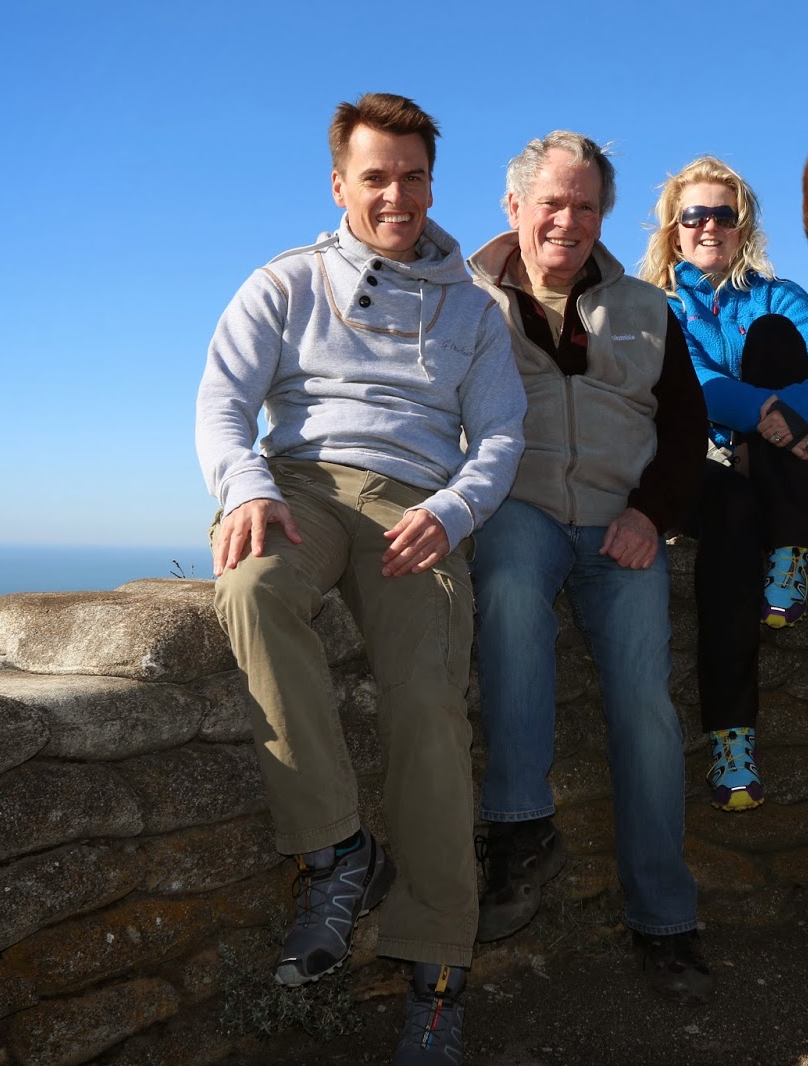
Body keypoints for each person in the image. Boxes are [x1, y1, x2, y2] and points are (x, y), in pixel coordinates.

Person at [195, 92, 527, 1063]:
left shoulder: (473, 308)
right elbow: (222, 401)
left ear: (433, 183)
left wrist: (453, 511)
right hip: (297, 485)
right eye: (375, 177)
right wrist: (246, 485)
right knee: (251, 589)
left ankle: (437, 974)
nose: (396, 196)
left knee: (428, 707)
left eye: (413, 177)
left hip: (415, 505)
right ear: (339, 184)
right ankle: (339, 850)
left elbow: (500, 436)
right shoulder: (285, 282)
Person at [465, 132, 714, 1002]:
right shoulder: (462, 299)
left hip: (623, 520)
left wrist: (652, 513)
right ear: (515, 208)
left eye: (585, 205)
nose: (567, 221)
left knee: (646, 705)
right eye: (551, 203)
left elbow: (685, 427)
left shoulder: (647, 307)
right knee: (506, 596)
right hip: (517, 505)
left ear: (603, 214)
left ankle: (665, 921)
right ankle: (519, 830)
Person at [639, 156, 808, 811]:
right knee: (730, 514)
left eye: (723, 216)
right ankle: (733, 743)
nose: (709, 226)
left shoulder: (778, 294)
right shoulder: (656, 305)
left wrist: (792, 415)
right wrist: (769, 413)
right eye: (694, 215)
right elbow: (693, 380)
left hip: (786, 464)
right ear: (673, 229)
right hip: (701, 469)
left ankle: (789, 552)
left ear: (742, 227)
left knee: (776, 337)